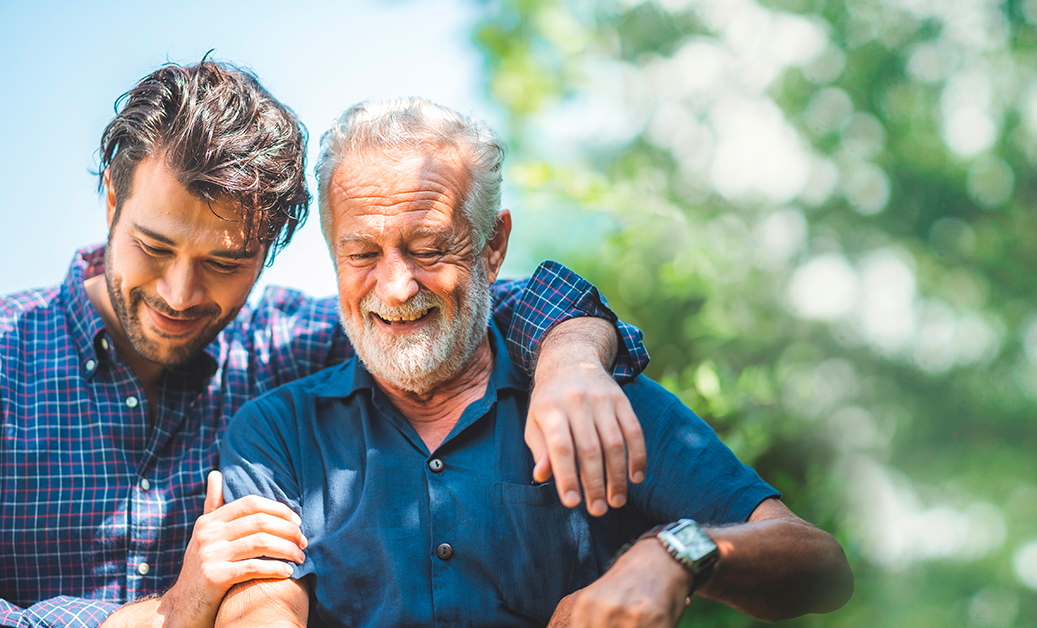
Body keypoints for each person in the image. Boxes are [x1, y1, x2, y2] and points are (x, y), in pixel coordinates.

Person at [0, 61, 654, 628]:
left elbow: (462, 303)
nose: (181, 294)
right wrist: (161, 619)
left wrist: (570, 358)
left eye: (223, 264)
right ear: (111, 200)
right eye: (152, 246)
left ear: (272, 251)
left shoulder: (295, 345)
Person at [216, 97, 855, 627]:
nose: (396, 286)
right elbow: (261, 605)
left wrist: (674, 553)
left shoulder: (594, 400)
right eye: (361, 254)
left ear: (492, 247)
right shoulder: (277, 432)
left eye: (430, 248)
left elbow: (819, 566)